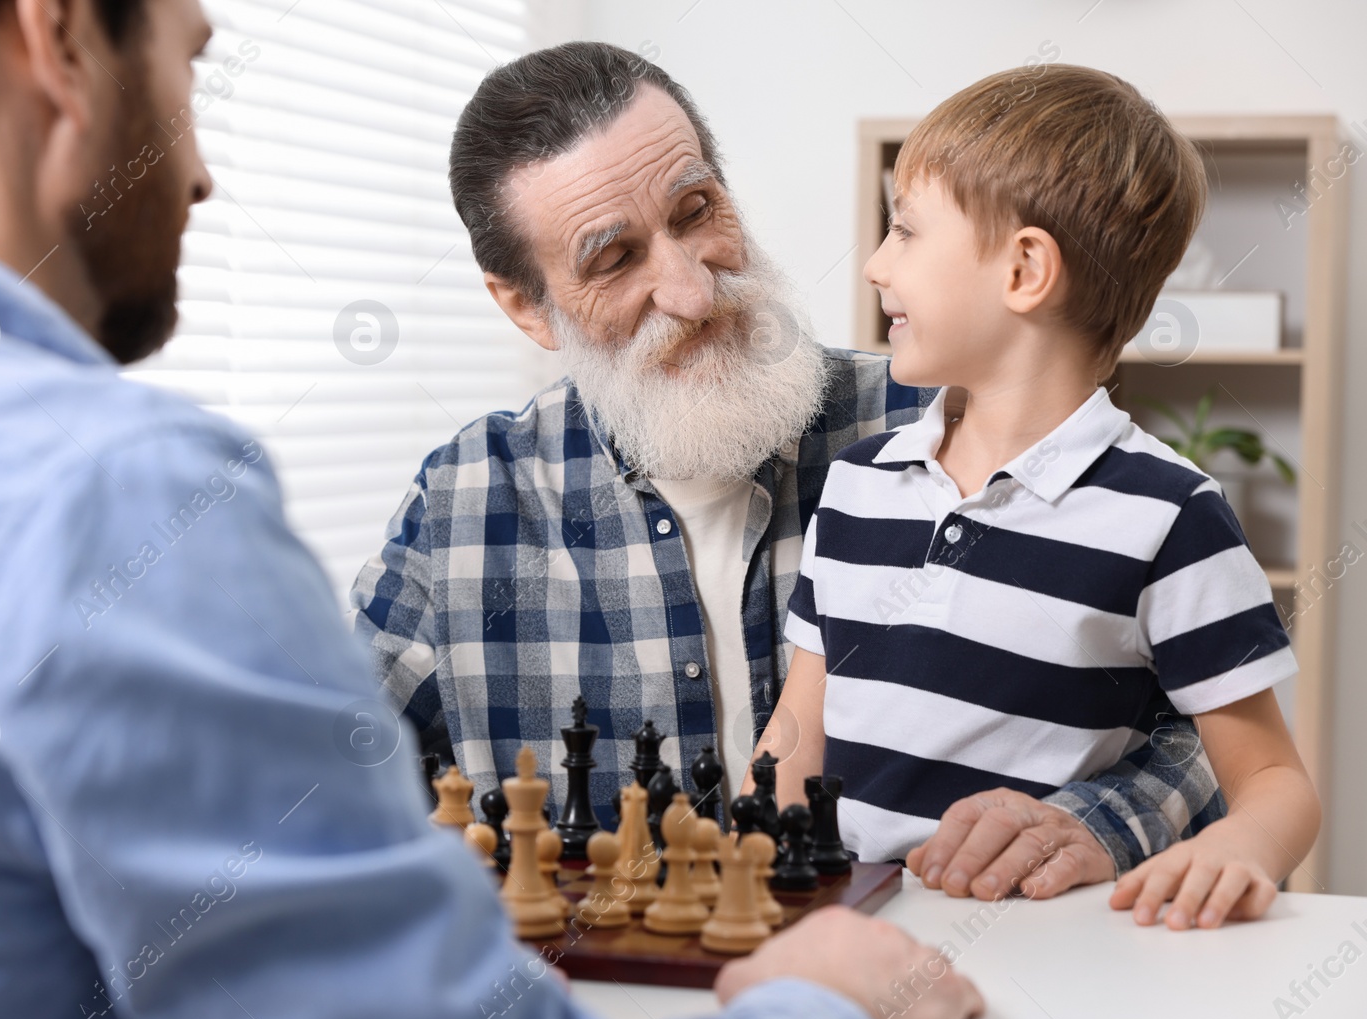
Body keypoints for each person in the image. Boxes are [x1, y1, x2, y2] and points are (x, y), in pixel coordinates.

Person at [0, 1, 982, 1019]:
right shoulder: (124, 495)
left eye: (698, 212)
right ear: (59, 34)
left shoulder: (954, 431)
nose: (196, 174)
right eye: (188, 67)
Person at [350, 41, 1223, 904]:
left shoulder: (947, 425)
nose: (693, 292)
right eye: (614, 260)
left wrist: (1098, 819)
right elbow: (313, 780)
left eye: (696, 209)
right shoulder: (465, 500)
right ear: (526, 306)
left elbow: (1208, 733)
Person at [753, 65, 1321, 930]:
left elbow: (1276, 783)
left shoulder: (1171, 515)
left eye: (904, 231)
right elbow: (800, 720)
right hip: (845, 930)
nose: (873, 264)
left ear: (1025, 269)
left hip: (1046, 950)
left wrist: (1241, 846)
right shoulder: (859, 484)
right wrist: (748, 865)